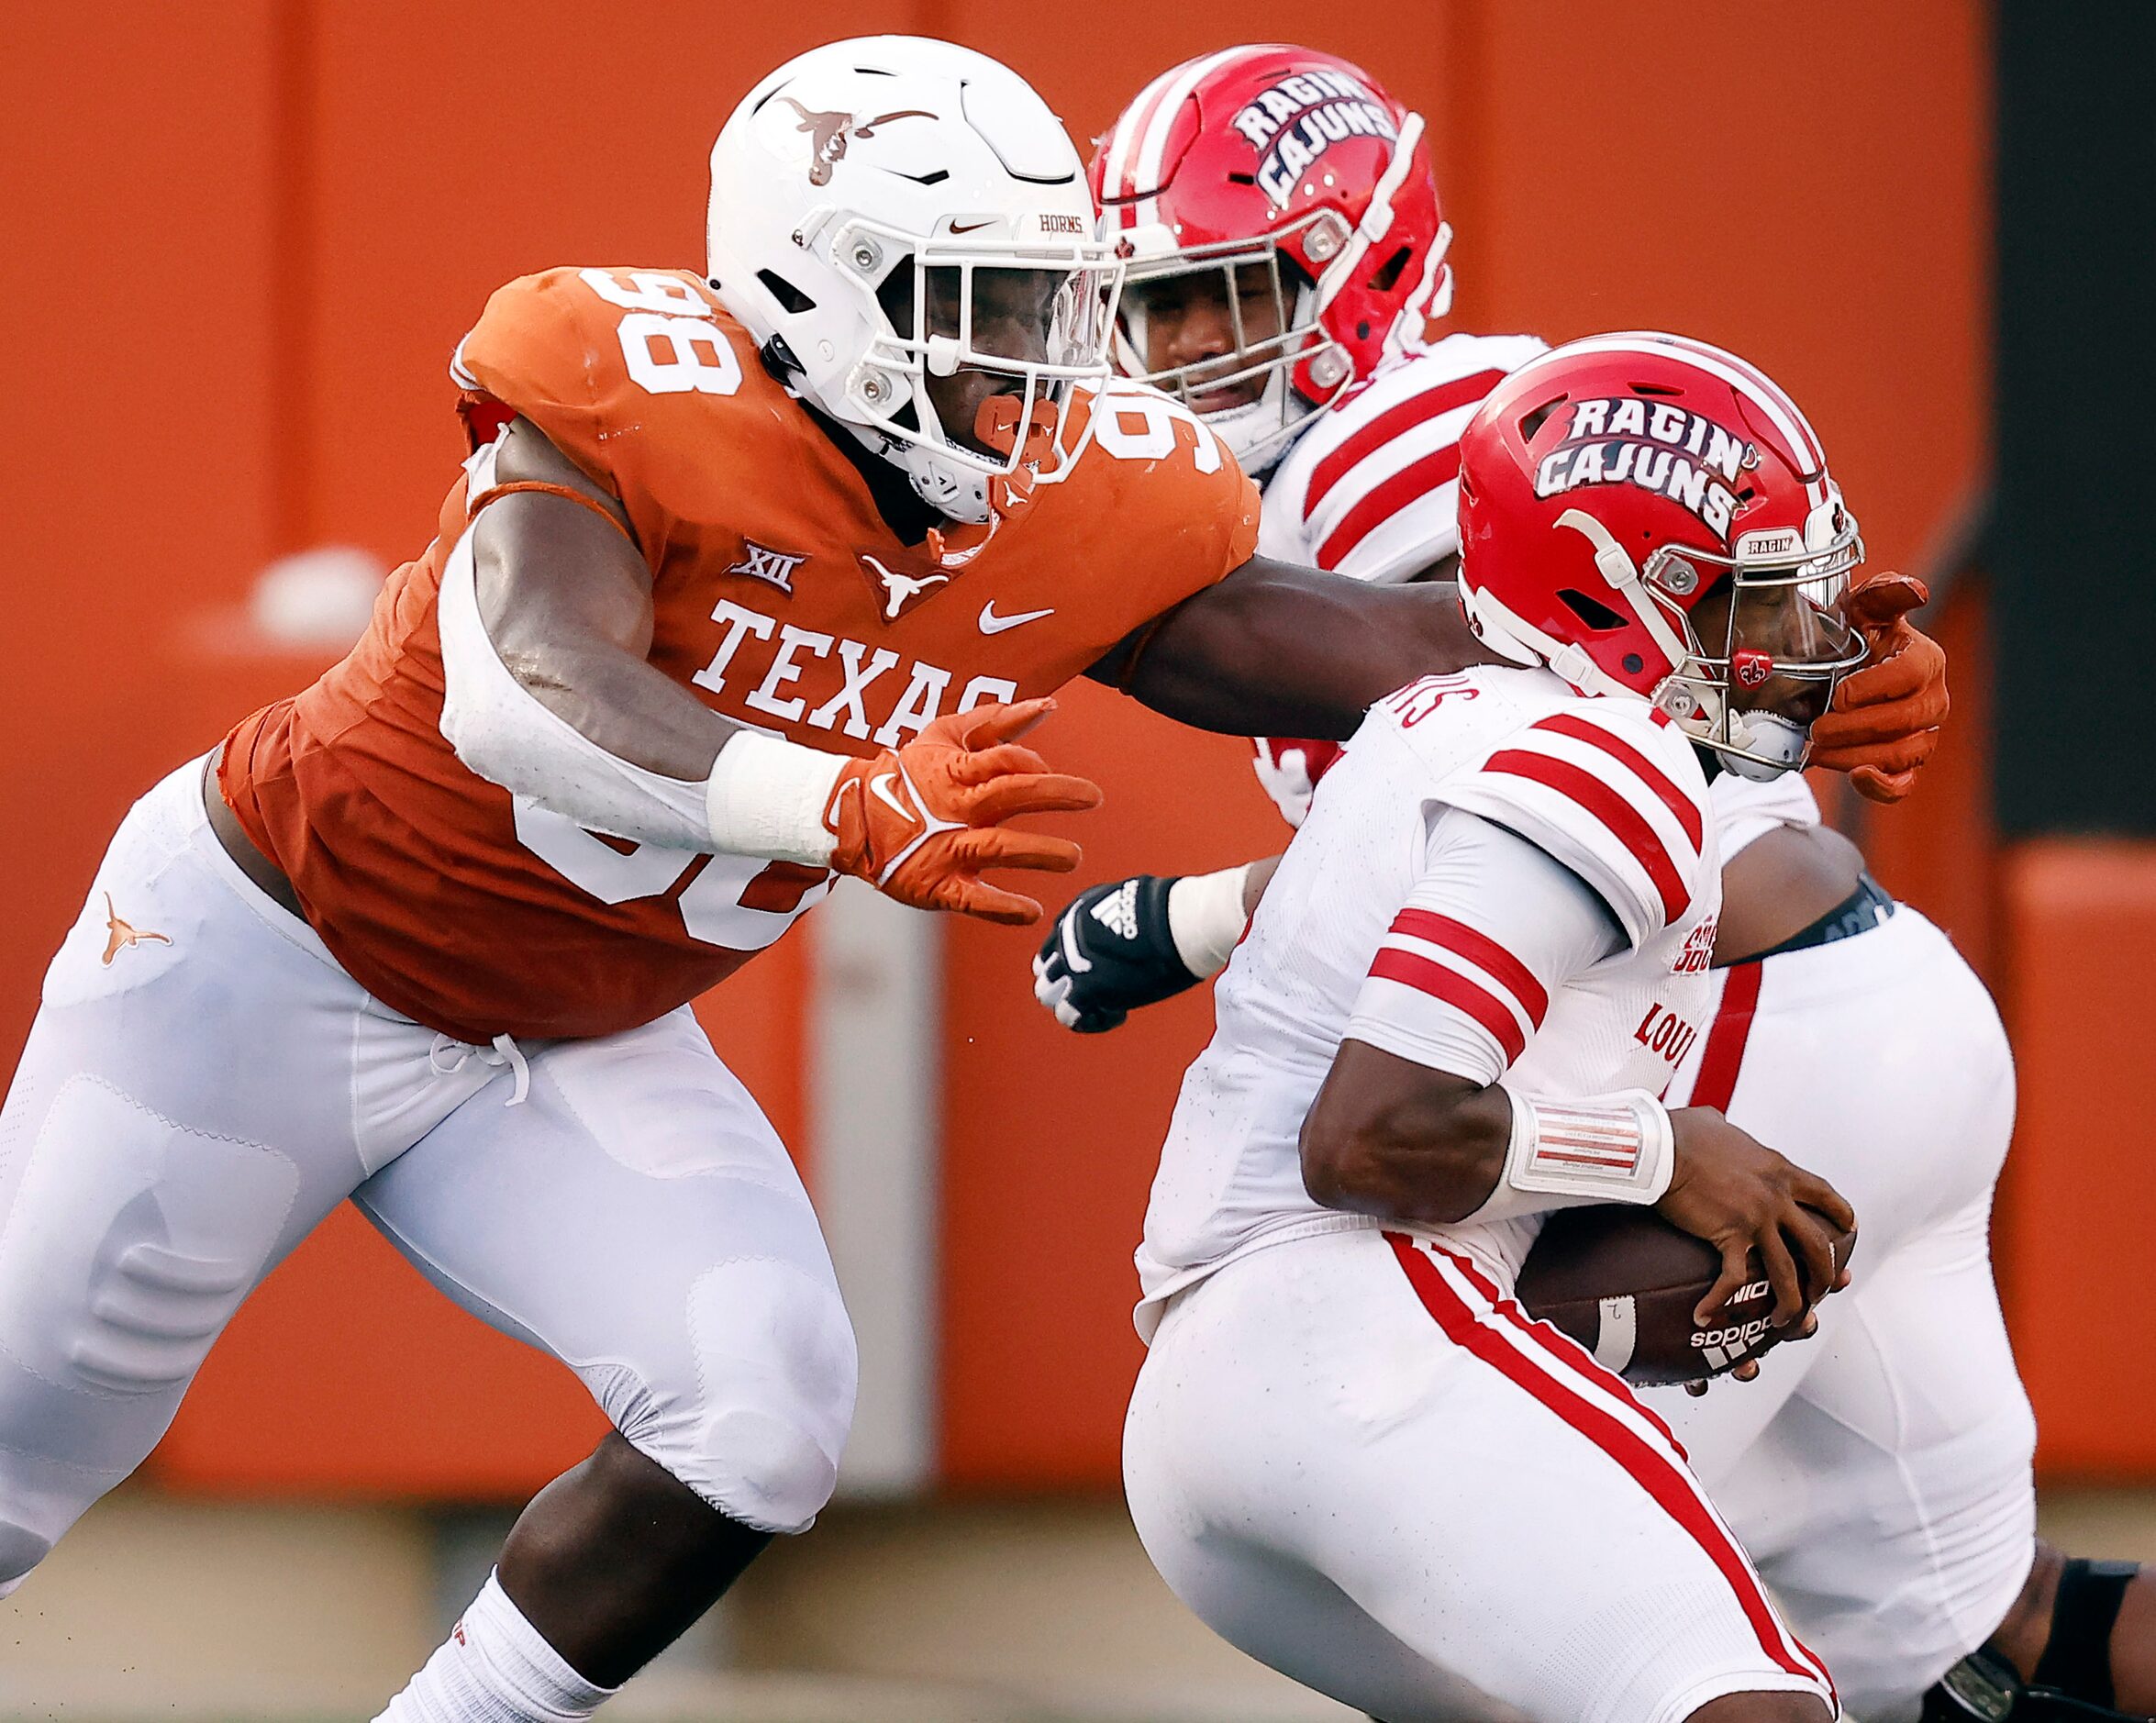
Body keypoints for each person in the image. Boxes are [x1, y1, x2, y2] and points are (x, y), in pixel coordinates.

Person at [0, 33, 1800, 1723]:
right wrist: (835, 798)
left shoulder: (1078, 497)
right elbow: (525, 684)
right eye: (982, 308)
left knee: (758, 1415)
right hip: (267, 959)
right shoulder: (629, 387)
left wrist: (1713, 647)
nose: (1036, 355)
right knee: (25, 1444)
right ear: (809, 289)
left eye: (1053, 301)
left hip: (571, 1035)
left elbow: (1321, 635)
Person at [1039, 45, 2152, 1720]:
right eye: (1158, 307)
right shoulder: (1526, 405)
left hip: (1738, 1031)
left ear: (1364, 263)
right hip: (1864, 1004)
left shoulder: (1396, 456)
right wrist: (1187, 917)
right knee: (1974, 1623)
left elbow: (1500, 784)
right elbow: (1463, 836)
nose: (1187, 350)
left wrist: (1176, 912)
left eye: (1226, 294)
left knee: (1551, 1618)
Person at [1122, 328, 1871, 1721]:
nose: (1801, 646)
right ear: (1627, 600)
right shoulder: (1601, 759)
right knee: (1750, 1704)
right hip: (1348, 1324)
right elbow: (1369, 1135)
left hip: (1237, 1388)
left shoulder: (1466, 719)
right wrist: (1662, 1157)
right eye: (1756, 604)